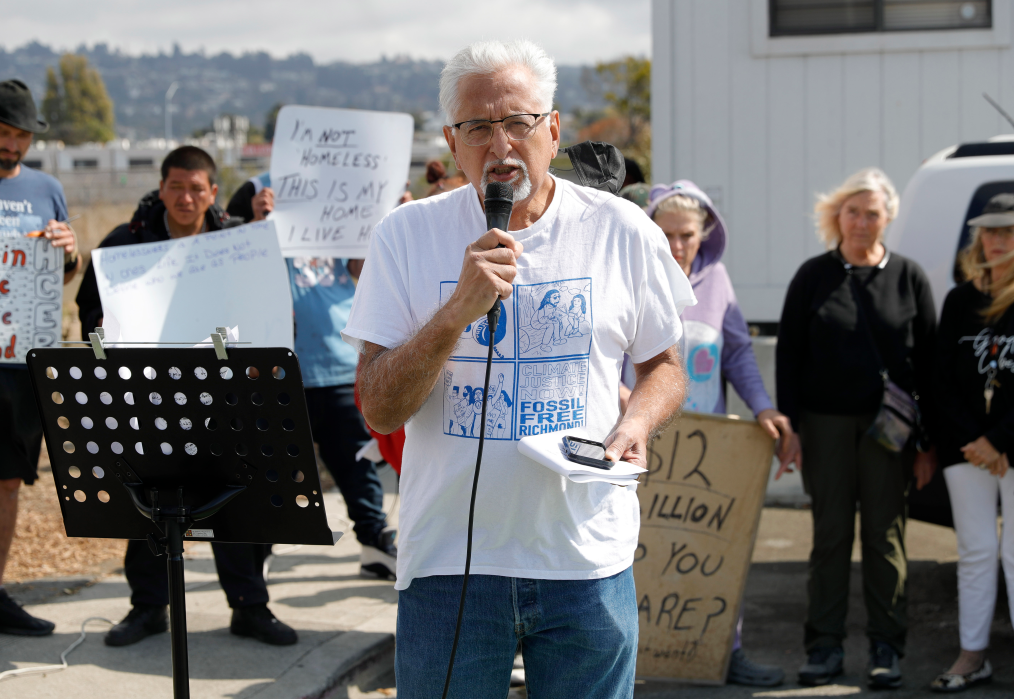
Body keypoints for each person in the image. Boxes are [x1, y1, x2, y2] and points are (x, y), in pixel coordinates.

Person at [344, 40, 694, 698]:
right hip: (450, 565)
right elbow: (379, 408)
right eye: (478, 127)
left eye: (519, 122)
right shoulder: (405, 235)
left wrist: (638, 422)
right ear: (452, 142)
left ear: (553, 129)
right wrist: (456, 312)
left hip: (585, 558)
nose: (500, 145)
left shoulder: (622, 230)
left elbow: (666, 367)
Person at [75, 147, 298, 647]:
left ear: (213, 192)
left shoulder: (239, 243)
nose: (185, 197)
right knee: (150, 503)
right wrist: (101, 325)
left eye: (196, 188)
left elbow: (271, 310)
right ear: (161, 188)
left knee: (235, 502)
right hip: (148, 400)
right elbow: (89, 309)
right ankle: (148, 607)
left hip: (226, 401)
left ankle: (249, 606)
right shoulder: (124, 244)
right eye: (176, 187)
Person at [776, 167, 937, 689]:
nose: (861, 222)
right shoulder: (812, 276)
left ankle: (887, 646)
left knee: (885, 536)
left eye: (872, 213)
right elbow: (789, 355)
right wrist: (791, 429)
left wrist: (926, 443)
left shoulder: (909, 277)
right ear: (837, 216)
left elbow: (930, 365)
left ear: (888, 218)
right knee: (831, 536)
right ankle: (824, 647)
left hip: (890, 431)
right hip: (824, 426)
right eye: (852, 212)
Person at [638, 180, 794, 686]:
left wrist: (764, 407)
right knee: (639, 548)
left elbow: (739, 353)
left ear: (704, 234)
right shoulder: (635, 275)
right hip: (640, 442)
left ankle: (726, 652)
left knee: (714, 550)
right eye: (666, 234)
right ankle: (637, 654)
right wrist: (625, 404)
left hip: (707, 449)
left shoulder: (718, 281)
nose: (677, 245)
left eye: (686, 235)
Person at [226, 172, 398, 579]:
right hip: (277, 369)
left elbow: (363, 269)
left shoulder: (339, 185)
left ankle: (373, 542)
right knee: (271, 467)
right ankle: (261, 548)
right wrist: (256, 225)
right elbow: (234, 267)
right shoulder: (256, 190)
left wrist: (376, 219)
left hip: (339, 359)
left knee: (356, 464)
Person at [0, 79, 80, 637]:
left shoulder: (47, 188)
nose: (13, 145)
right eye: (3, 132)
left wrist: (69, 253)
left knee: (5, 482)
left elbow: (62, 275)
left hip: (16, 364)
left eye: (22, 136)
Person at [930, 192, 1014, 692]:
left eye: (1008, 231)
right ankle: (972, 656)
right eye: (990, 231)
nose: (998, 240)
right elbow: (940, 380)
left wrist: (999, 440)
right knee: (977, 550)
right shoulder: (960, 300)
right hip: (967, 448)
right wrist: (975, 441)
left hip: (1006, 445)